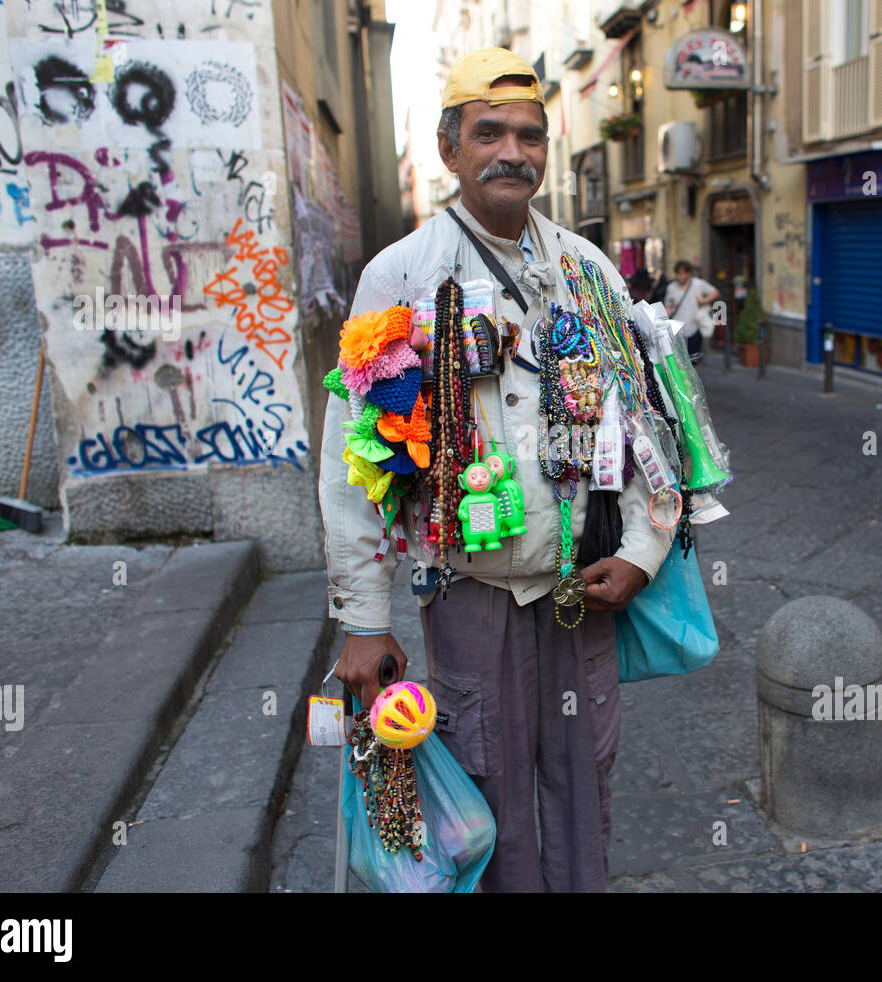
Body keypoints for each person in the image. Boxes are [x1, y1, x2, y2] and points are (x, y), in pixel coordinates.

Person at [318, 47, 675, 893]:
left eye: (529, 135)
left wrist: (643, 551)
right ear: (450, 151)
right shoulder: (400, 274)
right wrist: (365, 619)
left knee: (586, 778)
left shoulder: (587, 271)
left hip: (583, 587)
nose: (512, 152)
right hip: (471, 591)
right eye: (489, 134)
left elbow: (646, 423)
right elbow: (351, 462)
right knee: (490, 787)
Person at [663, 260, 719, 362]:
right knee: (679, 361)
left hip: (693, 329)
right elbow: (668, 305)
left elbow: (715, 292)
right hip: (676, 330)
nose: (678, 277)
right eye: (677, 274)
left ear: (688, 273)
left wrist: (704, 300)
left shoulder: (698, 284)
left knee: (693, 361)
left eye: (681, 274)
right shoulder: (671, 287)